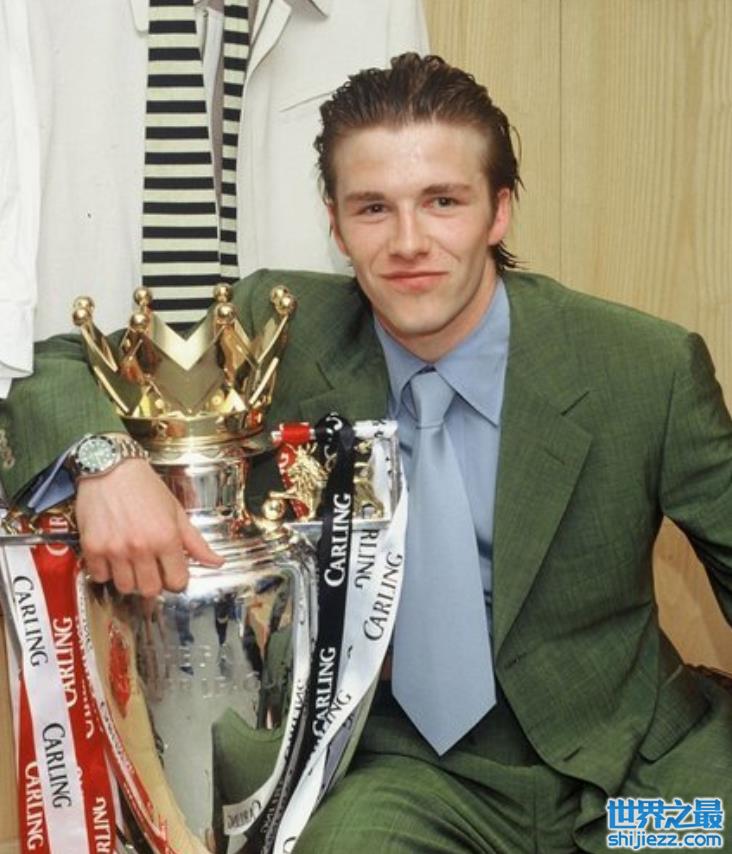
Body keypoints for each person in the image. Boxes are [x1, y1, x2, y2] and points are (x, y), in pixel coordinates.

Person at [1, 53, 731, 852]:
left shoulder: (645, 368)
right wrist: (103, 459)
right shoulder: (280, 333)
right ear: (336, 223)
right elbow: (53, 370)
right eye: (374, 208)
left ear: (498, 212)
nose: (409, 242)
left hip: (633, 772)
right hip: (413, 774)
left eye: (443, 201)